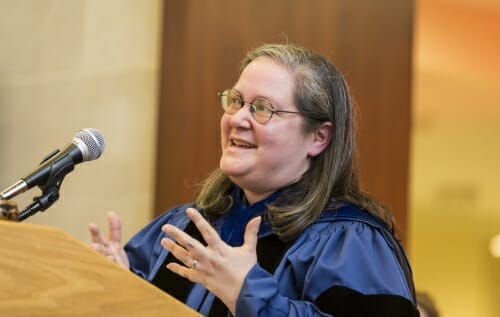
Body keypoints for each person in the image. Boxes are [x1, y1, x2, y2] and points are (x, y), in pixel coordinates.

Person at [89, 43, 419, 316]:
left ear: (318, 137)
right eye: (235, 101)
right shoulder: (185, 226)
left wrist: (250, 296)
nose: (238, 119)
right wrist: (119, 287)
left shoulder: (348, 242)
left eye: (263, 108)